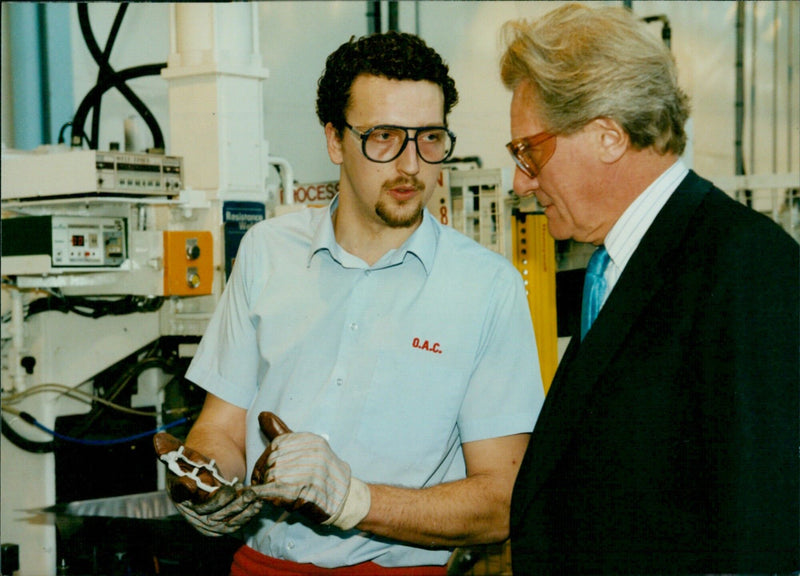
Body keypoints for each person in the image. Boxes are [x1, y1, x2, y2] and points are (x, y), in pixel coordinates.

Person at [162, 31, 544, 574]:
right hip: (257, 566)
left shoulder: (486, 288)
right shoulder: (267, 252)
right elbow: (221, 427)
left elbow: (501, 503)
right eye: (384, 137)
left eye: (430, 138)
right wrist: (205, 482)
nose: (412, 165)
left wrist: (354, 500)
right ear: (335, 141)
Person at [500, 3, 799, 575]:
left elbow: (764, 531)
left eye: (529, 151)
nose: (520, 180)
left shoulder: (744, 267)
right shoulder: (616, 266)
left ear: (607, 136)